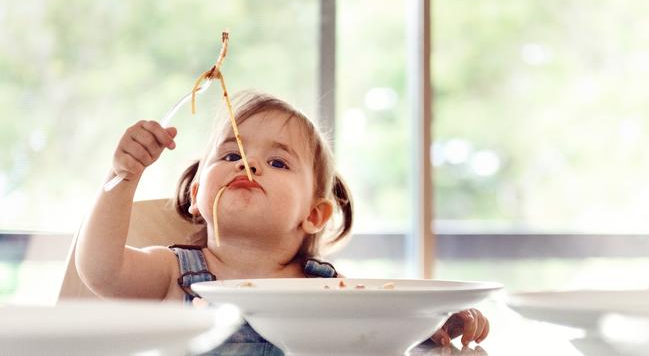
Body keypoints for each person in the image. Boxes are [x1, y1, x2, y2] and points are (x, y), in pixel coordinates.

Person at [76, 92, 489, 355]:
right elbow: (101, 270)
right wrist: (124, 175)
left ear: (314, 215)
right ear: (197, 194)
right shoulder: (171, 272)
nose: (248, 163)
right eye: (230, 155)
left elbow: (382, 334)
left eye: (277, 162)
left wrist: (435, 326)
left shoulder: (331, 288)